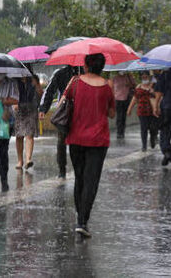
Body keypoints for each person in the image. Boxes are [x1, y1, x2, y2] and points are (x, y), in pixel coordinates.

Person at [64, 53, 115, 238]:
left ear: (85, 65)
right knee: (91, 181)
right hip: (98, 140)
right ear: (102, 67)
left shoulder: (75, 82)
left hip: (76, 137)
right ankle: (83, 220)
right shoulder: (107, 86)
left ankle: (80, 217)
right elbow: (111, 114)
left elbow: (63, 102)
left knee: (79, 178)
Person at [39, 65, 79, 178]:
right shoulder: (60, 73)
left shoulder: (86, 73)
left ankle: (78, 168)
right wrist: (43, 108)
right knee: (61, 141)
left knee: (77, 143)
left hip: (81, 113)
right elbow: (50, 91)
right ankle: (62, 169)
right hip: (65, 112)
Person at [15, 74, 42, 170]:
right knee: (19, 135)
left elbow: (40, 93)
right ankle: (20, 161)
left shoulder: (33, 79)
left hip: (31, 108)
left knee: (29, 134)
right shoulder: (15, 79)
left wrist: (37, 84)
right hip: (19, 108)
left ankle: (28, 159)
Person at [127, 72, 159, 151]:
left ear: (149, 77)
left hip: (152, 110)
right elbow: (135, 98)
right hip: (142, 110)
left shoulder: (154, 87)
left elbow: (159, 97)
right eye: (143, 77)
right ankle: (144, 145)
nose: (145, 79)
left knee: (153, 128)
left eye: (146, 77)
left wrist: (153, 91)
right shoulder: (139, 87)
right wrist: (129, 109)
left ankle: (152, 138)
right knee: (143, 128)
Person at [109, 72, 135, 139]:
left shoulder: (128, 77)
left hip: (126, 99)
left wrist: (129, 83)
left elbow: (134, 85)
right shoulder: (114, 78)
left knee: (123, 116)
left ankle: (122, 131)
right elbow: (112, 89)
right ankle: (119, 132)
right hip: (117, 99)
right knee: (119, 116)